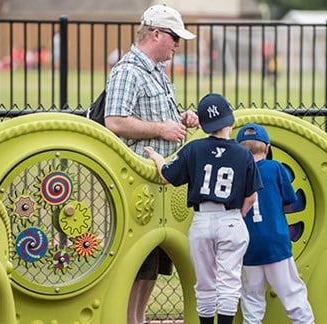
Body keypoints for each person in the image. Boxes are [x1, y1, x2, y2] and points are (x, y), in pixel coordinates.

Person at [103, 4, 198, 324]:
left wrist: (181, 118)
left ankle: (138, 319)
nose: (177, 45)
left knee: (154, 261)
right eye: (174, 38)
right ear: (156, 34)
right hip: (136, 179)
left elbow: (156, 116)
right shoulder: (128, 70)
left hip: (160, 179)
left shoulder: (156, 70)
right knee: (137, 258)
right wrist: (161, 128)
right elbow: (114, 121)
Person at [144, 93, 263, 324]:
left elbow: (168, 175)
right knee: (229, 282)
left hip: (202, 221)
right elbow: (252, 195)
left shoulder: (194, 148)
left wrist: (158, 158)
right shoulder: (243, 154)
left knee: (205, 284)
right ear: (230, 121)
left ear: (205, 124)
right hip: (230, 219)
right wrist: (238, 215)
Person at [236, 123, 314, 324]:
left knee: (252, 301)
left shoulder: (237, 173)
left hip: (249, 245)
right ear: (267, 148)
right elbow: (290, 201)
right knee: (292, 294)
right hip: (276, 242)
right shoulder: (276, 168)